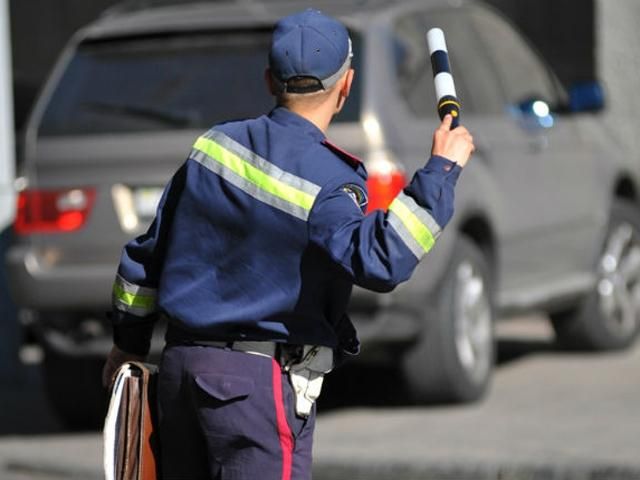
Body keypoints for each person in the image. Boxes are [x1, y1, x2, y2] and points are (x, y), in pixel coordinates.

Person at [102, 8, 474, 480]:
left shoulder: (213, 148)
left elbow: (145, 259)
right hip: (252, 389)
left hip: (179, 374)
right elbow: (383, 259)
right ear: (346, 85)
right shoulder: (331, 182)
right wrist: (441, 171)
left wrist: (127, 346)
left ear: (268, 80)